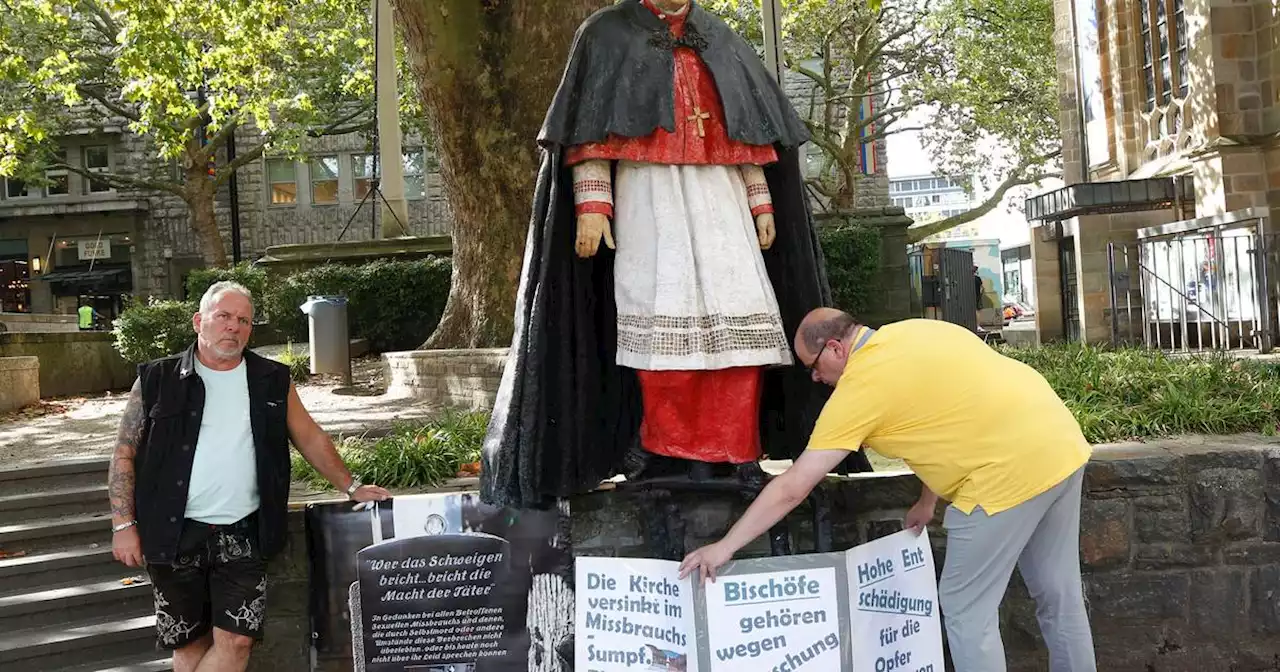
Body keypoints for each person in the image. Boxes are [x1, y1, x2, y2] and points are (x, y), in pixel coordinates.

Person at [479, 0, 868, 509]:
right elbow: (589, 123)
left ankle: (735, 448)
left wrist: (760, 200)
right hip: (647, 193)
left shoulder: (720, 36)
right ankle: (665, 450)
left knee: (740, 317)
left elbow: (748, 128)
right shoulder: (605, 33)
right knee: (660, 314)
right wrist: (593, 203)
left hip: (722, 200)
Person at [679, 309, 1097, 672]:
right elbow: (955, 413)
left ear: (835, 349)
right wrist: (927, 499)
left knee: (966, 609)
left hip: (1004, 479)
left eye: (813, 367)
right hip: (1060, 446)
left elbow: (793, 486)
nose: (815, 378)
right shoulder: (916, 331)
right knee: (1059, 594)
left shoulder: (861, 388)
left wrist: (725, 546)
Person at [107, 281, 391, 672]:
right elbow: (124, 452)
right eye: (223, 316)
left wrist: (352, 485)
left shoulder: (270, 378)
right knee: (189, 647)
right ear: (199, 321)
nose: (233, 327)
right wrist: (124, 523)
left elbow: (308, 435)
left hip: (243, 532)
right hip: (172, 533)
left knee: (238, 641)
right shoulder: (157, 379)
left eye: (243, 320)